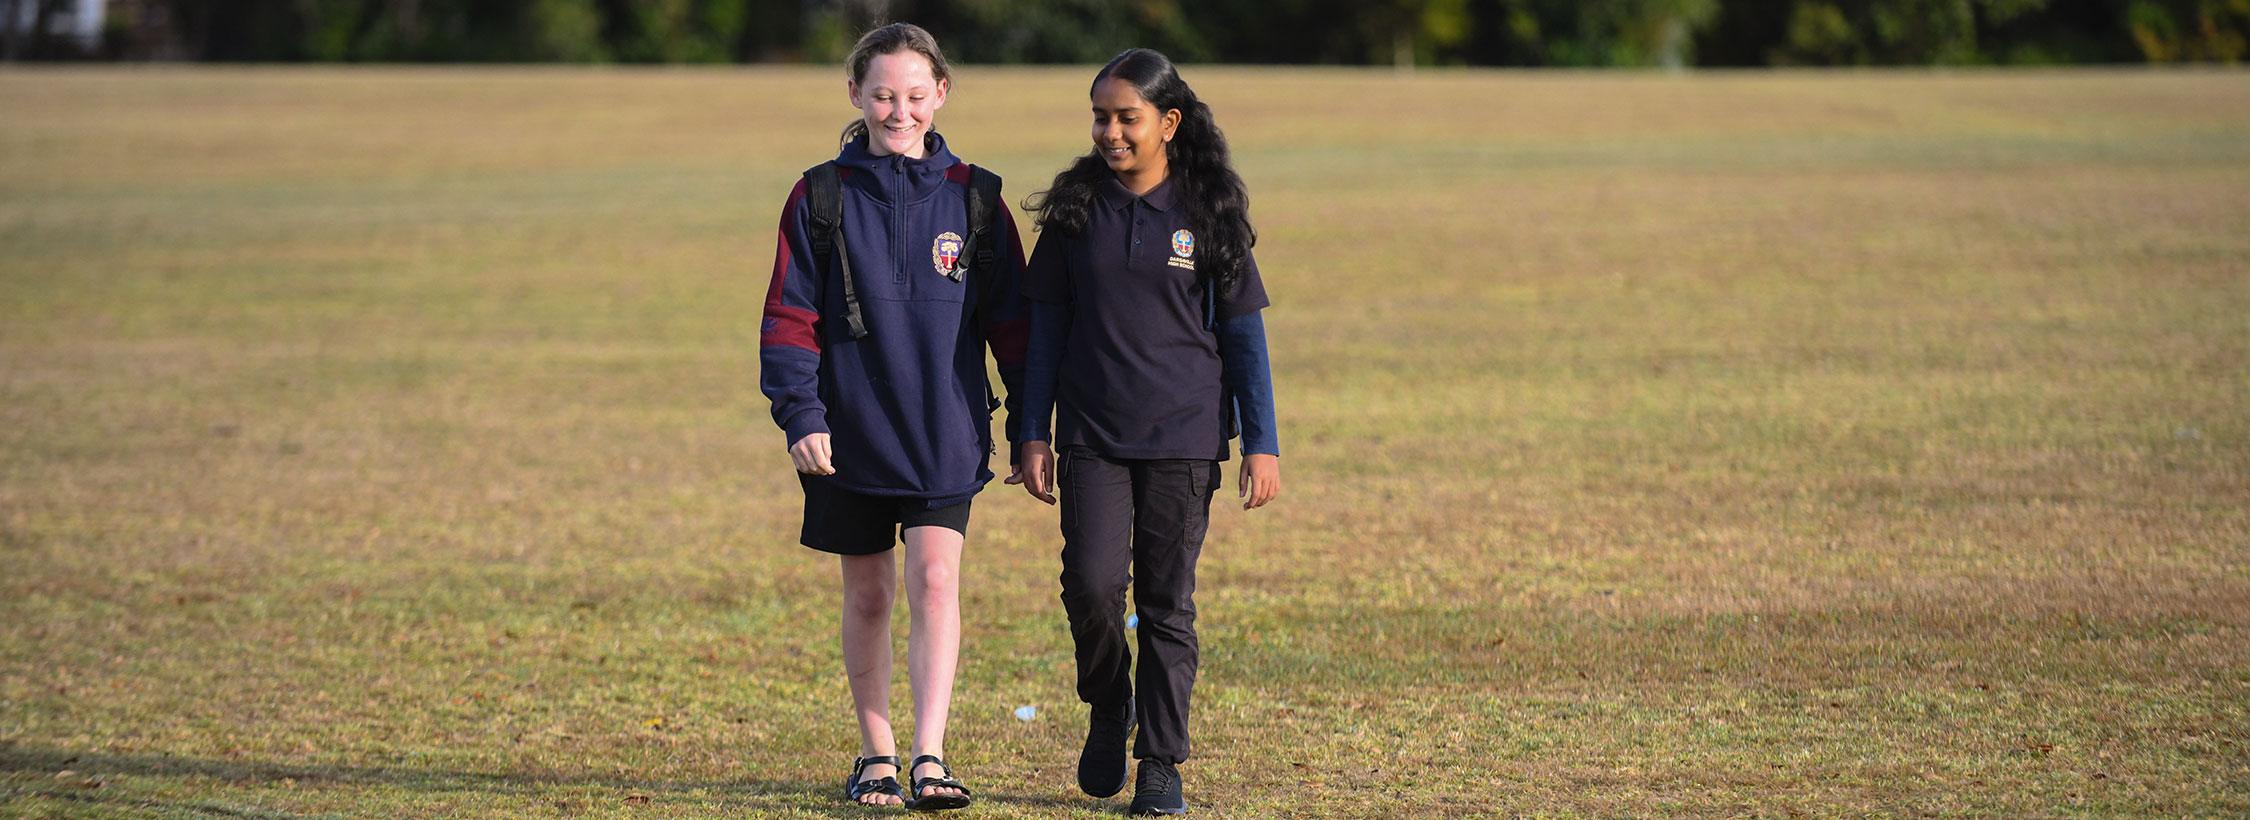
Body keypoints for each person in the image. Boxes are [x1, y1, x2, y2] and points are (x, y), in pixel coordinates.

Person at [759, 22, 1028, 812]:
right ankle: (876, 754)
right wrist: (799, 412)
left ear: (941, 94)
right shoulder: (820, 195)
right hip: (846, 434)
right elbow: (788, 316)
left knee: (936, 578)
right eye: (882, 94)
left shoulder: (977, 197)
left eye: (915, 95)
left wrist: (1029, 426)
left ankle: (929, 756)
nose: (898, 110)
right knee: (871, 594)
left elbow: (1013, 325)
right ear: (854, 95)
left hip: (945, 429)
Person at [1012, 48, 1281, 817]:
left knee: (1168, 604)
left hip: (1186, 437)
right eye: (1100, 116)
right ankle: (1108, 702)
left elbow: (1243, 339)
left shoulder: (1210, 213)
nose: (1110, 131)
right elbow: (1046, 334)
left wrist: (1260, 440)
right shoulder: (1073, 211)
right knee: (1092, 587)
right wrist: (1033, 433)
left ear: (1168, 122)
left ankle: (1161, 760)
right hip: (1092, 433)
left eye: (1126, 117)